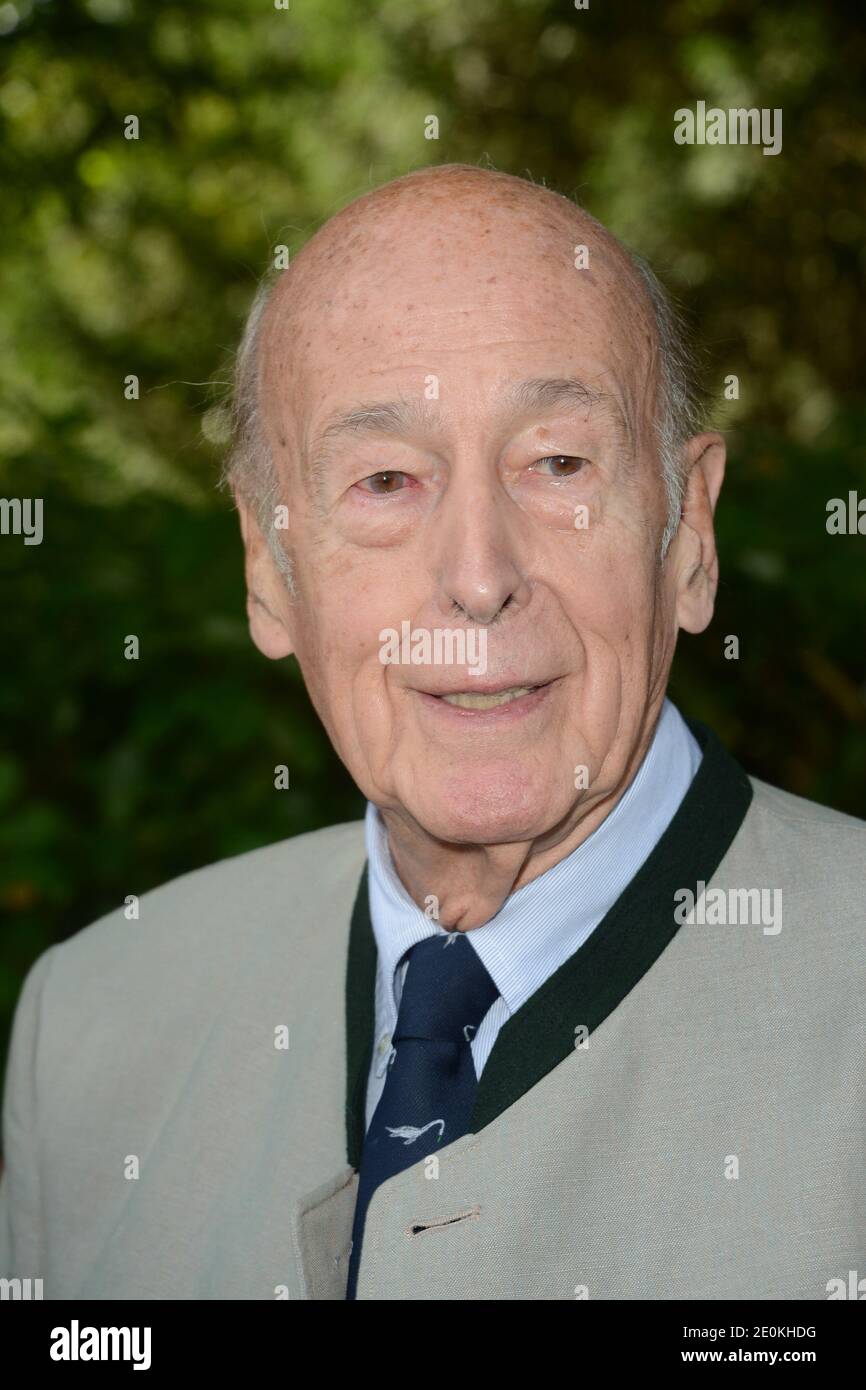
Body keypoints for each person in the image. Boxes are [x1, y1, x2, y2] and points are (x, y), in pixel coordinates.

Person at [1, 165, 863, 1300]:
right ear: (268, 568)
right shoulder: (93, 1026)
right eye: (385, 480)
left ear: (688, 531)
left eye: (557, 463)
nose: (475, 576)